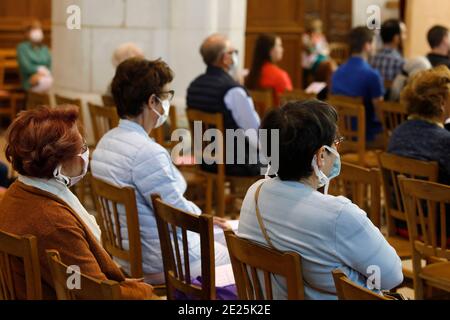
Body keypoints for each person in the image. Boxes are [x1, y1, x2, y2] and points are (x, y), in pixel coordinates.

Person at [238, 100, 403, 300]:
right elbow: (392, 276)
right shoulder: (339, 214)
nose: (338, 149)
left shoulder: (254, 192)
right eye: (336, 142)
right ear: (321, 155)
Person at [91, 58, 231, 285]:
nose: (167, 103)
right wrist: (206, 220)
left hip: (123, 253)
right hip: (161, 260)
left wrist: (207, 220)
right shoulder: (147, 152)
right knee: (237, 256)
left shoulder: (105, 142)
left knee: (219, 232)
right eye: (166, 96)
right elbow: (178, 214)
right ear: (152, 102)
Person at [0, 106, 154, 300]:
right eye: (81, 148)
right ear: (59, 162)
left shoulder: (17, 191)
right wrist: (146, 291)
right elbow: (97, 293)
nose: (85, 154)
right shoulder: (53, 222)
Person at [186, 34, 262, 177]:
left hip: (205, 160)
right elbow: (254, 130)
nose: (235, 56)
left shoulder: (194, 85)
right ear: (225, 58)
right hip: (236, 163)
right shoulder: (233, 90)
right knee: (279, 158)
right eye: (233, 52)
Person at [388, 65, 450, 186]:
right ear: (442, 103)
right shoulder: (445, 142)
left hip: (399, 203)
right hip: (436, 204)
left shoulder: (397, 132)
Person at [331, 26, 384, 145]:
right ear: (367, 45)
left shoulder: (337, 72)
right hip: (365, 134)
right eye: (374, 43)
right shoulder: (372, 74)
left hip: (340, 132)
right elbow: (379, 110)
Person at [245, 33, 293, 106]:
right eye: (279, 45)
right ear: (270, 50)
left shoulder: (252, 74)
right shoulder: (280, 75)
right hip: (276, 116)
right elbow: (289, 103)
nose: (282, 49)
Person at [16, 20, 53, 93]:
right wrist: (38, 70)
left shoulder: (44, 48)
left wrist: (46, 72)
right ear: (27, 33)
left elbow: (51, 64)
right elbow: (25, 66)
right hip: (30, 79)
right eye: (34, 29)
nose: (37, 32)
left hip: (47, 75)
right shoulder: (22, 48)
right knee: (44, 82)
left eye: (39, 29)